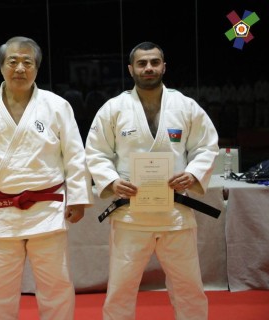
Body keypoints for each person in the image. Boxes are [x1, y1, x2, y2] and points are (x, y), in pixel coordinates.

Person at [0, 36, 93, 320]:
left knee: (56, 285)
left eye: (27, 62)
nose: (20, 68)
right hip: (0, 210)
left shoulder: (57, 106)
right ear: (2, 66)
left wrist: (79, 198)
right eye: (12, 61)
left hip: (47, 209)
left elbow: (75, 156)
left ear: (37, 69)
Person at [85, 41, 219, 320]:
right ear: (131, 69)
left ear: (164, 67)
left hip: (175, 214)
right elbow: (96, 151)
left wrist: (192, 174)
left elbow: (206, 146)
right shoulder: (114, 108)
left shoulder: (185, 106)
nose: (149, 68)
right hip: (130, 215)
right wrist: (110, 181)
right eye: (142, 63)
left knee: (189, 287)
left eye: (154, 62)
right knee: (121, 288)